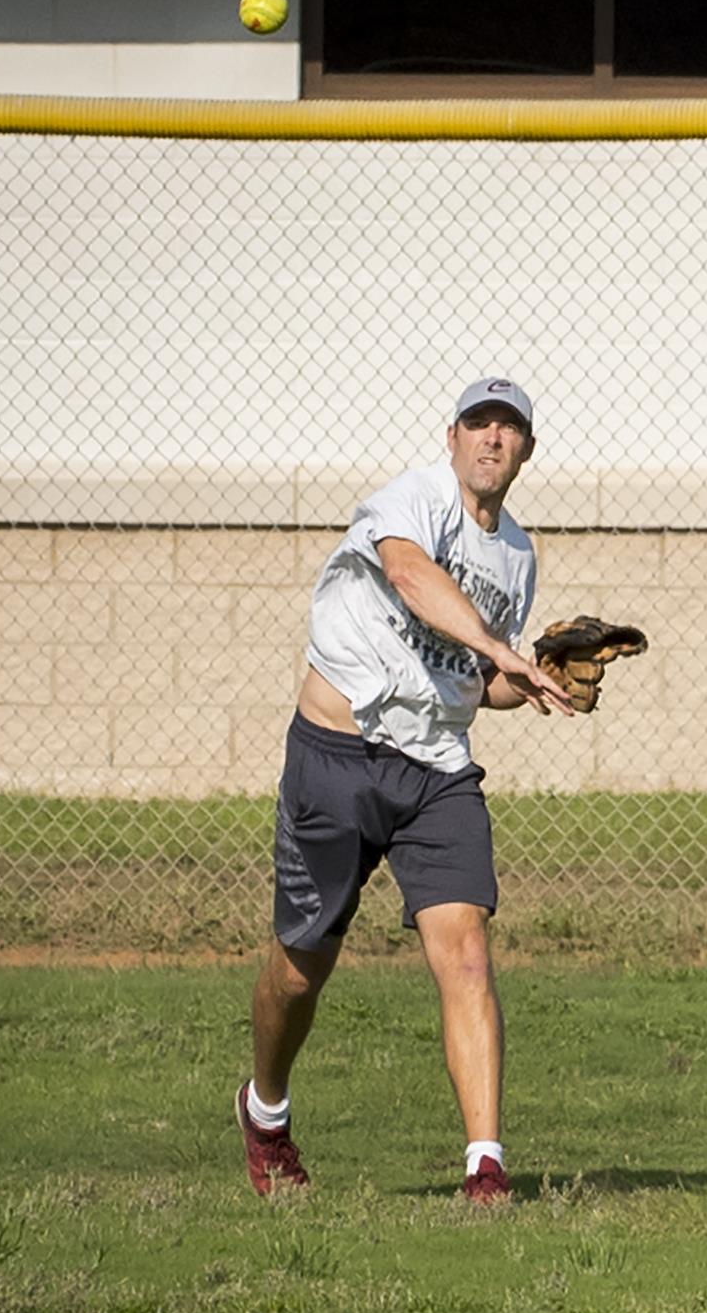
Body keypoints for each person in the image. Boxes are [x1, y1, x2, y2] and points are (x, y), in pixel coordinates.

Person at [237, 376, 574, 1205]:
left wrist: (535, 683)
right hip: (337, 756)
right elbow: (413, 577)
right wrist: (503, 651)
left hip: (435, 773)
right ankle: (265, 1110)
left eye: (510, 429)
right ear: (453, 437)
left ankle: (485, 1169)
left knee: (465, 954)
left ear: (528, 449)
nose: (493, 440)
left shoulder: (518, 555)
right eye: (478, 425)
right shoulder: (414, 500)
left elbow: (472, 681)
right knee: (299, 969)